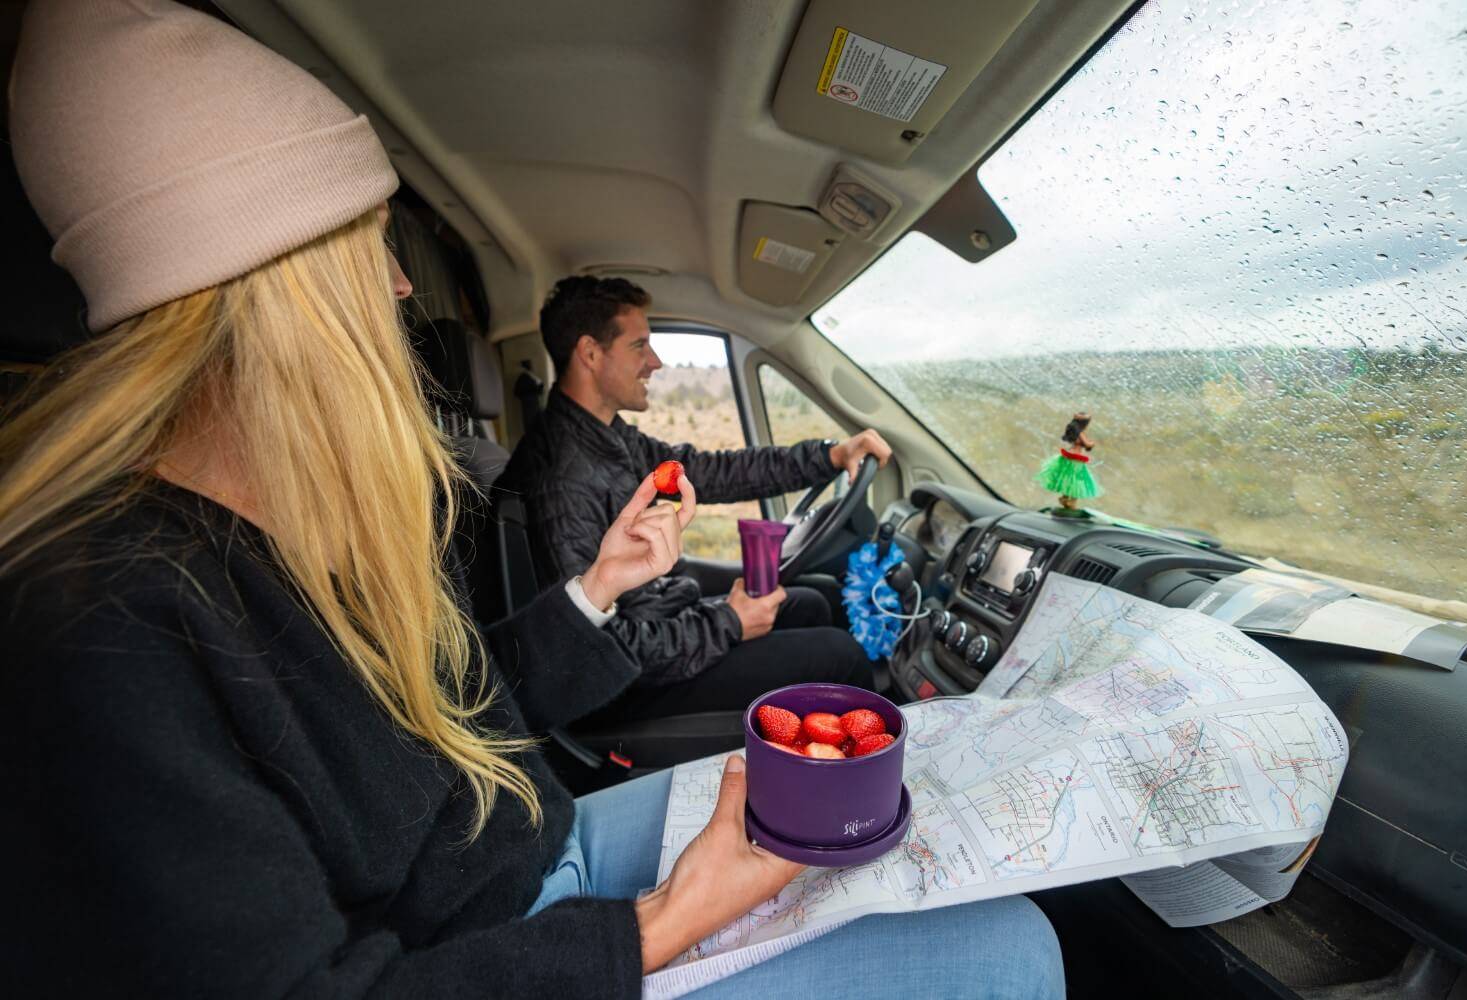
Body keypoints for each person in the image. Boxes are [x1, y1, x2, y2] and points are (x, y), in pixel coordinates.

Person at [0, 2, 1064, 996]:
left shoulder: (328, 522)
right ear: (278, 293)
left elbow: (457, 711)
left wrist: (599, 588)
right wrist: (664, 920)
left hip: (533, 842)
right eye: (371, 247)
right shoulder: (106, 625)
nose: (405, 287)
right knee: (1013, 946)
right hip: (514, 932)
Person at [500, 276, 895, 721]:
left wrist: (829, 456)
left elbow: (708, 471)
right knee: (839, 654)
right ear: (590, 353)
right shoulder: (562, 478)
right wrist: (728, 623)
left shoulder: (606, 438)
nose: (656, 361)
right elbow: (601, 646)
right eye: (639, 346)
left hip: (654, 625)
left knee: (810, 601)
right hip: (626, 684)